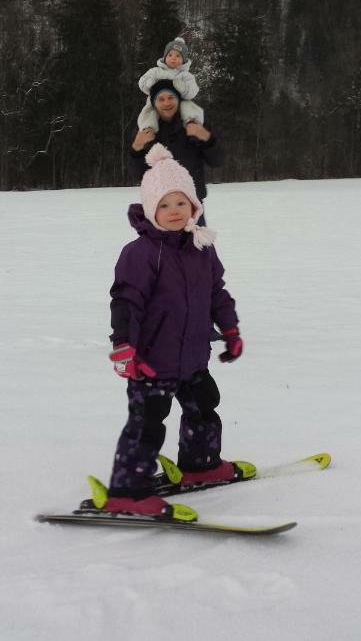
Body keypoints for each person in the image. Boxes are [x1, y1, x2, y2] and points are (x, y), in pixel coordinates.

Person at [88, 143, 254, 520]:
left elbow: (216, 292)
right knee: (146, 424)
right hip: (152, 362)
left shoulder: (202, 247)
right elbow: (126, 302)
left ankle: (201, 464)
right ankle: (128, 490)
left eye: (181, 203)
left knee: (204, 408)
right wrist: (124, 347)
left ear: (194, 205)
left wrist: (230, 328)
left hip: (193, 357)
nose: (175, 211)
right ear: (151, 210)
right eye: (165, 205)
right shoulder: (141, 253)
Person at [129, 71, 223, 219]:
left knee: (197, 243)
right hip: (160, 207)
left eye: (171, 97)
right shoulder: (145, 129)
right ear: (154, 102)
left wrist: (206, 137)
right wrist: (136, 148)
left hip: (192, 206)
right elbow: (137, 174)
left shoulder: (196, 122)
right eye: (161, 99)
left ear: (178, 99)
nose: (167, 102)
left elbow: (217, 161)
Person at [137, 37, 203, 133]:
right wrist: (148, 83)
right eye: (170, 55)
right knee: (149, 111)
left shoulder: (185, 75)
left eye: (178, 56)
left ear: (184, 60)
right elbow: (142, 82)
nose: (173, 58)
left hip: (178, 103)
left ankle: (192, 125)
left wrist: (184, 88)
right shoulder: (156, 71)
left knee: (188, 107)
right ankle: (148, 129)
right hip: (156, 101)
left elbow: (193, 91)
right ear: (165, 57)